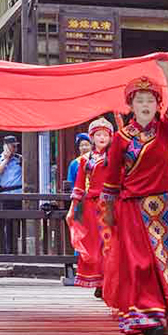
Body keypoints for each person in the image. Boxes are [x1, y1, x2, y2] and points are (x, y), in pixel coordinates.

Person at [101, 63, 168, 335]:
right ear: (130, 105)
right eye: (139, 100)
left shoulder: (164, 130)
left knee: (165, 262)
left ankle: (165, 316)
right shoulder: (121, 139)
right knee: (140, 263)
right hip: (132, 208)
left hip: (163, 208)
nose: (144, 104)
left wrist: (167, 71)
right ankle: (146, 315)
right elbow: (110, 179)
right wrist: (108, 214)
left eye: (150, 100)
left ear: (157, 105)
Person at [67, 118, 114, 295]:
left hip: (111, 205)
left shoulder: (115, 157)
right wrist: (72, 208)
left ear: (110, 137)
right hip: (91, 206)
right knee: (94, 244)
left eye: (105, 134)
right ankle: (99, 282)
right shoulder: (85, 160)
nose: (102, 138)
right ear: (92, 138)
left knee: (111, 243)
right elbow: (79, 186)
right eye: (98, 135)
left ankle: (110, 281)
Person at [0, 135, 23, 253]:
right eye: (12, 146)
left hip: (19, 194)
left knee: (20, 222)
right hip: (5, 195)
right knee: (7, 223)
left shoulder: (20, 159)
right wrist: (6, 159)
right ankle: (7, 251)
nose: (14, 149)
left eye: (15, 146)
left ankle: (20, 252)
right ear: (6, 146)